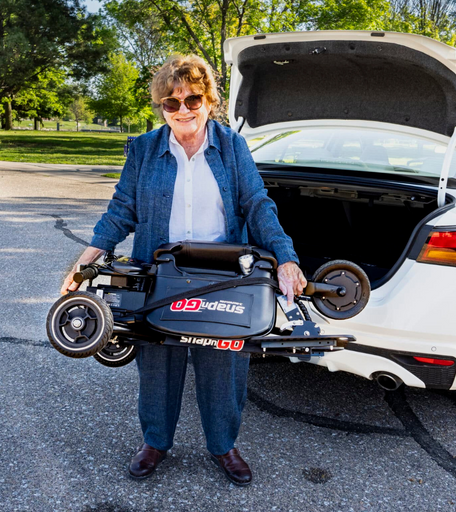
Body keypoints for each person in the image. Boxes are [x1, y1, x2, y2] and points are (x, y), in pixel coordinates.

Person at [61, 54, 306, 486]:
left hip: (224, 278)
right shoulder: (142, 149)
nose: (183, 110)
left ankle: (223, 447)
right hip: (159, 275)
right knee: (157, 362)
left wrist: (285, 257)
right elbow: (122, 210)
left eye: (192, 98)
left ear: (209, 100)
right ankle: (155, 442)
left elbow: (256, 204)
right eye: (170, 103)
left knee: (224, 367)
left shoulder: (231, 146)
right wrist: (84, 264)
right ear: (160, 108)